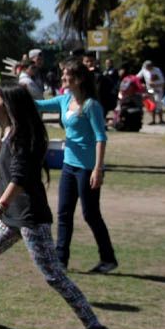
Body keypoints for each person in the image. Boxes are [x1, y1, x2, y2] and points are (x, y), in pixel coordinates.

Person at [0, 83, 116, 329]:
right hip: (13, 217)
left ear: (10, 106)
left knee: (54, 276)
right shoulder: (7, 132)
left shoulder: (21, 137)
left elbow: (21, 179)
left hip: (30, 218)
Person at [36, 60, 117, 273]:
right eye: (62, 75)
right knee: (63, 213)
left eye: (66, 76)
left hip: (87, 168)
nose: (63, 78)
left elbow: (101, 137)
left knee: (91, 214)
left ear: (79, 79)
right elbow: (39, 105)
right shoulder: (65, 100)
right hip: (68, 165)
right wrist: (15, 95)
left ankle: (108, 259)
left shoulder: (91, 106)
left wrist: (98, 169)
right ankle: (60, 261)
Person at [84, 52, 118, 116]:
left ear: (95, 62)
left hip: (98, 108)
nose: (89, 63)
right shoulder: (80, 77)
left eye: (91, 61)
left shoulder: (101, 77)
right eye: (87, 61)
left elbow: (109, 92)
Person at [137, 60, 165, 125]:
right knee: (152, 104)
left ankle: (161, 120)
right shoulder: (144, 70)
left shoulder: (157, 70)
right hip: (150, 89)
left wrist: (156, 85)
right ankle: (153, 120)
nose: (146, 68)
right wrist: (141, 84)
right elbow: (137, 78)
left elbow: (163, 82)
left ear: (151, 66)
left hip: (158, 89)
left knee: (158, 103)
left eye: (148, 67)